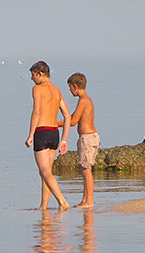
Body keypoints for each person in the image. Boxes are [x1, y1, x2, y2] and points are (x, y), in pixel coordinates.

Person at [25, 61, 71, 210]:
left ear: (41, 74)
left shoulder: (37, 89)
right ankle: (43, 207)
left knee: (44, 171)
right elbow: (68, 116)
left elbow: (37, 111)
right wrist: (64, 139)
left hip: (42, 132)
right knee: (46, 173)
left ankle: (62, 202)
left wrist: (30, 135)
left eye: (33, 75)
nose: (32, 79)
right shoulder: (57, 91)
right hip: (54, 133)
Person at [60, 72, 99, 208]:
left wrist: (54, 123)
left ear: (75, 87)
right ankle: (85, 200)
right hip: (88, 137)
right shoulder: (86, 100)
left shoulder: (83, 100)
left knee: (86, 170)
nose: (70, 91)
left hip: (87, 138)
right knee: (85, 169)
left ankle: (89, 201)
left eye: (70, 87)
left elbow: (73, 121)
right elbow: (72, 117)